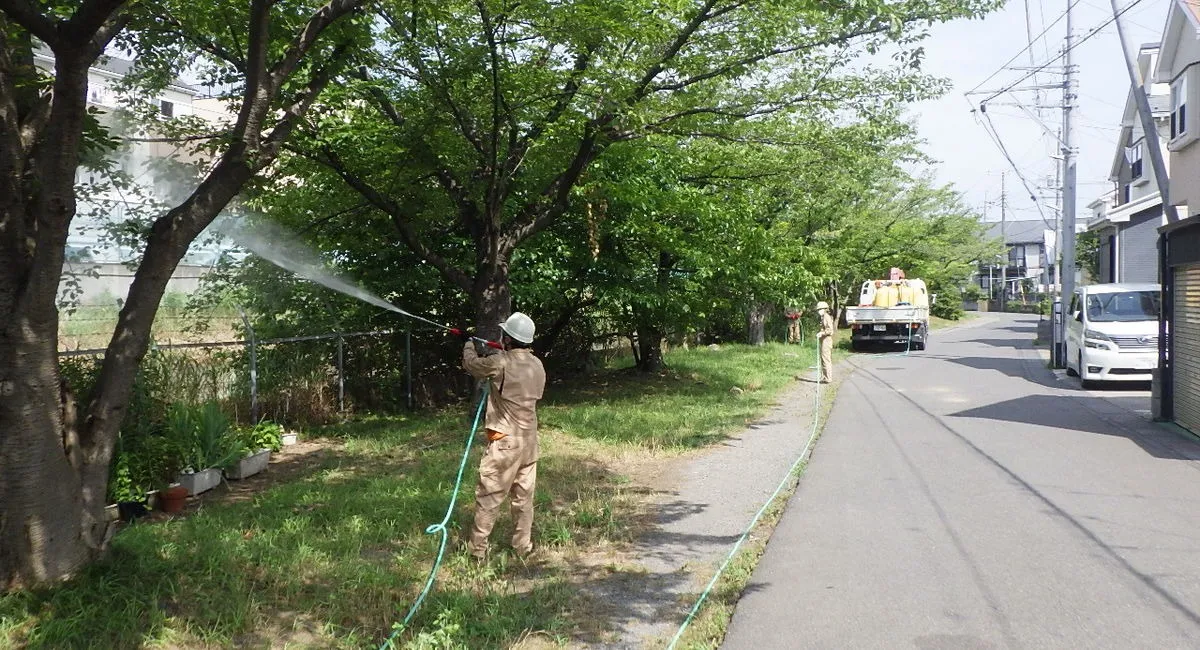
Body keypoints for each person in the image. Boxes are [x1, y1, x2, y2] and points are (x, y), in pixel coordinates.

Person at [461, 312, 546, 560]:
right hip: (529, 440)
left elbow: (472, 365)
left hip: (505, 442)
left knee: (489, 496)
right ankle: (522, 547)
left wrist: (469, 343)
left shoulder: (500, 362)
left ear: (507, 338)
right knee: (523, 498)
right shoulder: (537, 364)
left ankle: (477, 552)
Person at [816, 301, 835, 383]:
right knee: (823, 358)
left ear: (824, 309)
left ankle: (828, 377)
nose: (818, 311)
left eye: (820, 309)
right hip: (823, 340)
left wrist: (822, 333)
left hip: (827, 340)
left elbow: (830, 330)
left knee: (826, 359)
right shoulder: (823, 317)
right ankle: (824, 376)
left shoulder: (827, 317)